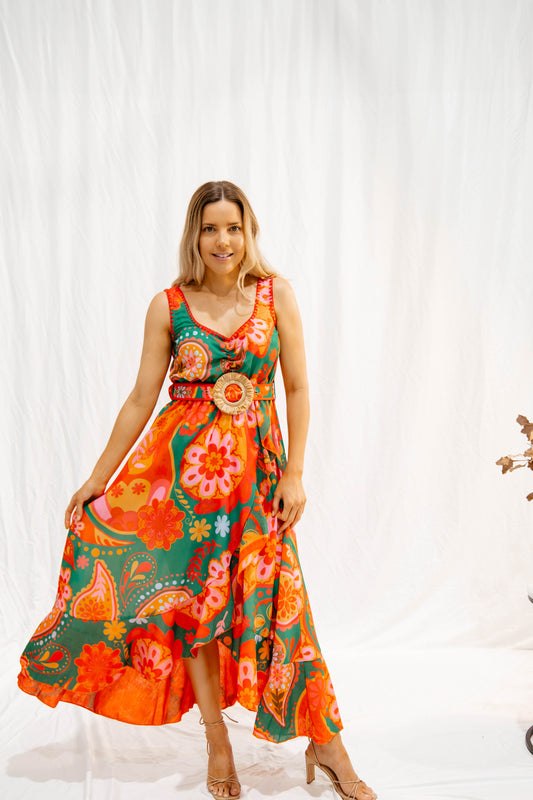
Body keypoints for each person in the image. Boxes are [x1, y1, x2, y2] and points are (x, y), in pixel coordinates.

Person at [17, 181, 377, 800]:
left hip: (257, 483)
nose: (222, 240)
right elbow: (140, 399)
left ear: (249, 231)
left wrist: (294, 472)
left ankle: (326, 739)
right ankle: (217, 741)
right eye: (209, 228)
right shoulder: (168, 305)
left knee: (283, 604)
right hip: (182, 488)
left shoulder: (276, 296)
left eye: (232, 227)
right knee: (197, 617)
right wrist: (97, 479)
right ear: (194, 236)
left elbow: (296, 388)